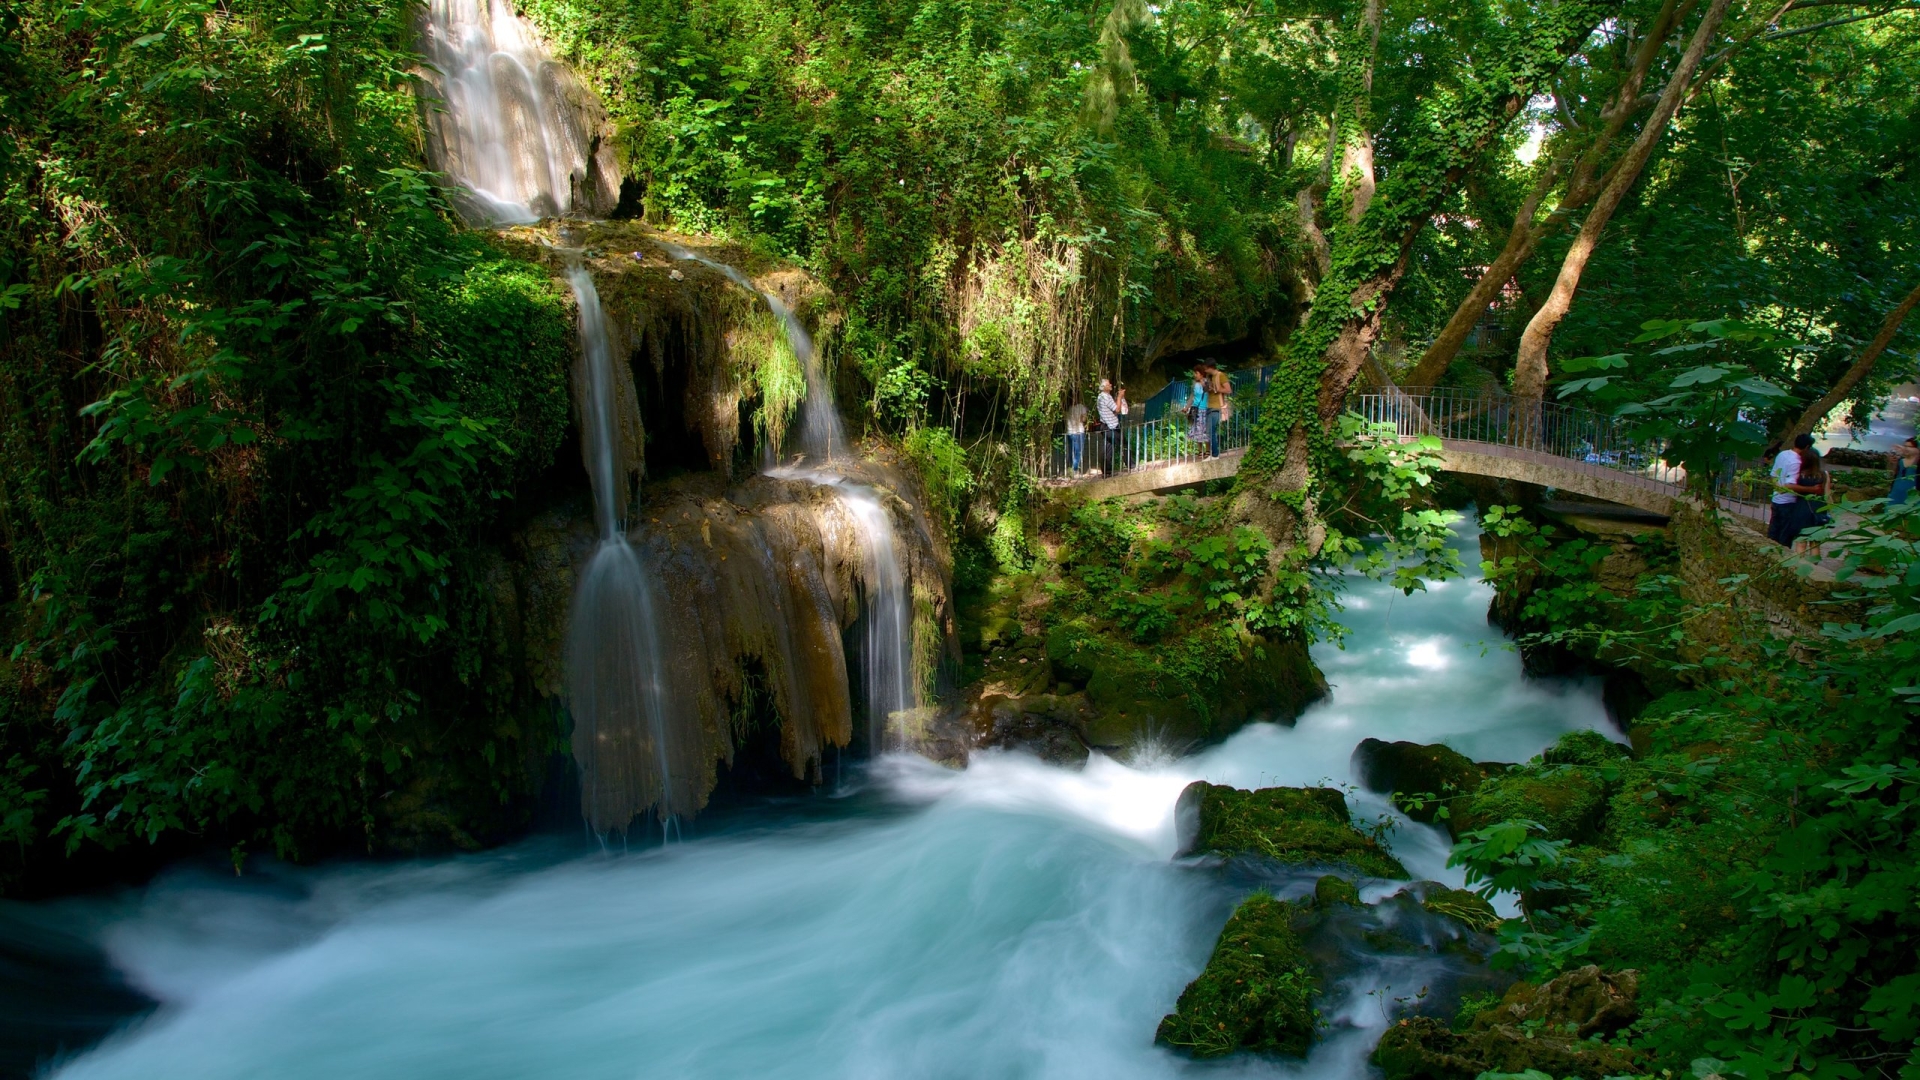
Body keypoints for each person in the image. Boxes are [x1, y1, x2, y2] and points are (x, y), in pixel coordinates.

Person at [1767, 433, 1825, 550]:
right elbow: (1790, 485)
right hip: (1788, 502)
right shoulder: (1796, 462)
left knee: (1773, 532)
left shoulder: (1782, 454)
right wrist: (1811, 489)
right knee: (1785, 535)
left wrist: (1778, 488)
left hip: (1776, 499)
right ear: (1807, 447)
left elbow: (1773, 475)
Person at [1203, 364, 1232, 458]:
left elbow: (1228, 390)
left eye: (1206, 368)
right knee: (1209, 431)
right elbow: (1206, 390)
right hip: (1209, 406)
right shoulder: (1210, 377)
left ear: (1210, 367)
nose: (1205, 370)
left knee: (1210, 430)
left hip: (1216, 407)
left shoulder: (1220, 375)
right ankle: (1214, 453)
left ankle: (1215, 454)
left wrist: (1217, 389)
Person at [1095, 378, 1120, 474]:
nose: (1111, 385)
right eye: (1109, 384)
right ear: (1104, 387)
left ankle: (1107, 471)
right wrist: (1119, 397)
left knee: (1108, 448)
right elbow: (1117, 409)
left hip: (1105, 425)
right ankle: (1132, 465)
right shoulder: (1106, 397)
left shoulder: (1101, 396)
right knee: (1123, 443)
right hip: (1111, 426)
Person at [1890, 436, 1918, 505]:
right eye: (1905, 446)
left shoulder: (1917, 462)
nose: (1906, 448)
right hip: (1896, 493)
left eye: (1910, 447)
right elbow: (1894, 473)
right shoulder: (1900, 461)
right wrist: (1893, 463)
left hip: (1912, 496)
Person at [1065, 398, 1087, 475]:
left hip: (1070, 431)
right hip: (1078, 431)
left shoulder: (1067, 407)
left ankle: (1070, 469)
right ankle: (1075, 469)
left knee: (1071, 452)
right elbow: (1083, 419)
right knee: (1078, 452)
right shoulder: (1081, 407)